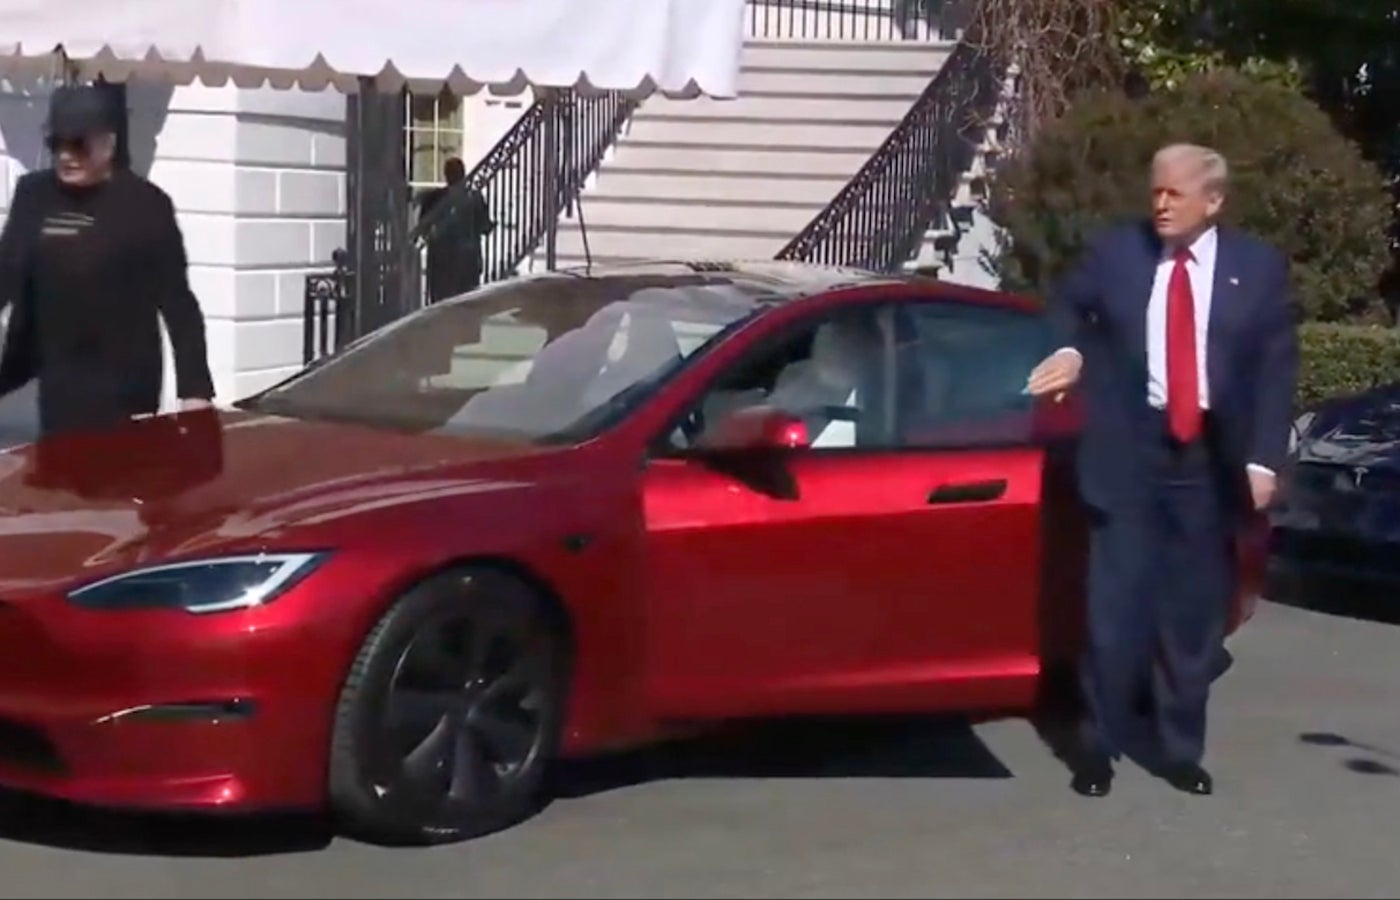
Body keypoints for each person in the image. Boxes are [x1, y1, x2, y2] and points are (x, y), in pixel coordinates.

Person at [1025, 143, 1299, 798]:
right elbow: (1067, 307)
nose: (1162, 204)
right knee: (1114, 610)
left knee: (1192, 613)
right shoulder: (1119, 253)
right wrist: (1070, 350)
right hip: (1130, 449)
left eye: (1176, 193)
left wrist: (1264, 457)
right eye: (1156, 192)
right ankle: (1094, 747)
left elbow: (1275, 369)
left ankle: (1178, 748)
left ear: (1214, 201)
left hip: (1210, 459)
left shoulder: (1255, 270)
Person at [0, 84, 214, 438]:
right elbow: (5, 272)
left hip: (125, 380)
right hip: (57, 372)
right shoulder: (34, 195)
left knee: (113, 481)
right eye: (57, 144)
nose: (67, 156)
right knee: (61, 476)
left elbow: (179, 305)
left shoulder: (146, 206)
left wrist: (194, 391)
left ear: (108, 143)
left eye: (79, 144)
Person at [413, 157, 495, 303]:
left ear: (446, 175)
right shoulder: (473, 198)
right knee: (468, 308)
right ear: (463, 175)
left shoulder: (433, 199)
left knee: (441, 308)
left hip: (441, 264)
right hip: (467, 262)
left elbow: (423, 228)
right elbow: (485, 227)